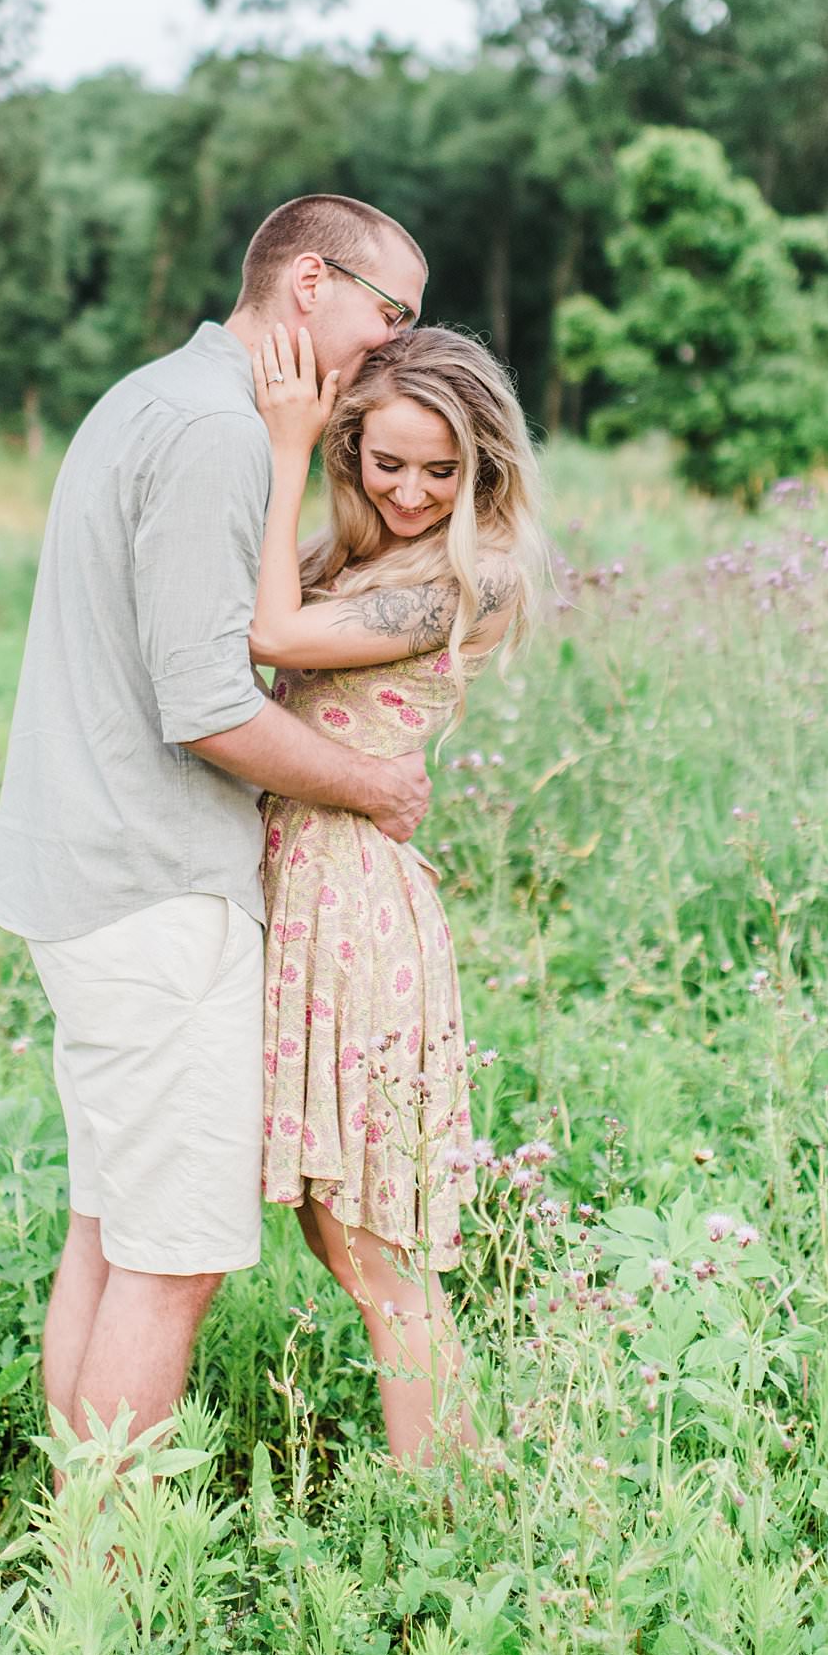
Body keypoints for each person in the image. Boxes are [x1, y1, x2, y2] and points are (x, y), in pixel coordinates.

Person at [0, 194, 431, 1446]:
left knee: (108, 1231)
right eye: (390, 314)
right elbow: (209, 708)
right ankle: (112, 1591)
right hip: (156, 891)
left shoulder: (149, 397)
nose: (395, 349)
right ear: (308, 285)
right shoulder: (215, 435)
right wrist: (374, 786)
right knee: (169, 1262)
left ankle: (85, 1556)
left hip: (92, 878)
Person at [246, 321, 542, 1462]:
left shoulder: (467, 577)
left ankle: (444, 1514)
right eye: (387, 462)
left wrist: (283, 447)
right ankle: (442, 1496)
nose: (413, 491)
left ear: (482, 469)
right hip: (311, 888)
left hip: (355, 909)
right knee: (343, 1240)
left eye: (441, 469)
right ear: (354, 453)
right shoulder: (353, 562)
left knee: (378, 1254)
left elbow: (270, 633)